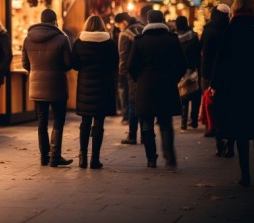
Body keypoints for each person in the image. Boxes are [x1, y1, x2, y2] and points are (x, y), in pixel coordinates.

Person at [210, 0, 254, 187]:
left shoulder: (233, 29)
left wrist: (215, 85)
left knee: (240, 132)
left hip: (237, 89)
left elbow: (222, 61)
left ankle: (245, 176)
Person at [128, 10, 187, 168]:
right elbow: (182, 63)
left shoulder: (139, 41)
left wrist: (139, 80)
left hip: (145, 88)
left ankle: (151, 158)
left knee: (146, 124)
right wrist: (174, 78)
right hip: (167, 87)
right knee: (166, 123)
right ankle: (169, 157)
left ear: (147, 21)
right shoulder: (172, 39)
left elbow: (131, 66)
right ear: (163, 21)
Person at [22, 8, 73, 167]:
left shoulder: (28, 38)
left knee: (42, 121)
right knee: (58, 120)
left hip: (36, 86)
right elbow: (68, 63)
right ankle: (55, 156)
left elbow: (25, 63)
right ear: (54, 21)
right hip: (57, 85)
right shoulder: (61, 39)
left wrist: (36, 72)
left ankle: (44, 156)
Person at [71, 15, 118, 169]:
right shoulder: (110, 43)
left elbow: (75, 64)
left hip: (85, 87)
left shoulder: (79, 43)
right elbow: (114, 65)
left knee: (85, 122)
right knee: (99, 123)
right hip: (103, 87)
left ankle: (82, 157)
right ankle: (95, 159)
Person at [200, 4, 234, 156]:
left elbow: (205, 53)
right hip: (229, 74)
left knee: (213, 106)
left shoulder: (209, 29)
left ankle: (218, 139)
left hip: (211, 75)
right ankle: (231, 143)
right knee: (229, 108)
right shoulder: (231, 29)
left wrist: (205, 75)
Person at [114, 12, 145, 145]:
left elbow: (123, 55)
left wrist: (122, 73)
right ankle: (145, 135)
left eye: (119, 25)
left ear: (124, 22)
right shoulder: (144, 28)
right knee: (145, 103)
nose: (119, 28)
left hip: (132, 73)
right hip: (146, 72)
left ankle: (132, 135)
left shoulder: (125, 34)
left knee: (133, 102)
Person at [175, 15, 201, 131]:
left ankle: (183, 122)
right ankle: (194, 120)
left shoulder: (174, 37)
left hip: (180, 70)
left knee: (183, 95)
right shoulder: (194, 36)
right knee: (195, 95)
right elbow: (198, 53)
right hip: (193, 68)